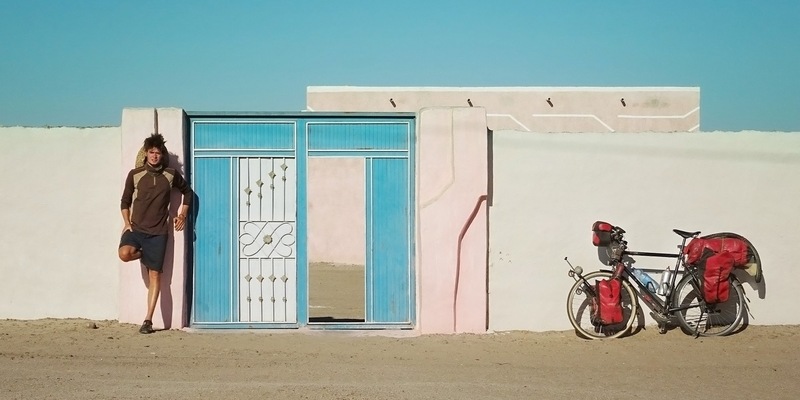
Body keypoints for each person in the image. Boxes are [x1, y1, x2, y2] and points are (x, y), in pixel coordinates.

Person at [118, 133, 193, 334]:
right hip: (136, 229)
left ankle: (148, 320)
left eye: (158, 153)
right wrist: (127, 222)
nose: (154, 156)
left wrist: (182, 215)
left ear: (162, 155)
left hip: (159, 233)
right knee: (124, 254)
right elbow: (125, 201)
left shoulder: (170, 174)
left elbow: (188, 192)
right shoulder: (135, 174)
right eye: (151, 152)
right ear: (146, 154)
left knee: (155, 276)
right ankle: (144, 255)